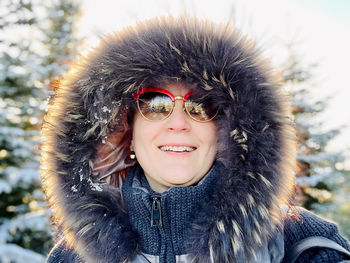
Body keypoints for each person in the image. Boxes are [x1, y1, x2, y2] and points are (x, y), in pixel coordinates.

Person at [41, 16, 350, 263]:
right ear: (126, 135)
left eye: (201, 106)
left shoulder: (306, 247)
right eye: (155, 104)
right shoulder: (72, 258)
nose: (178, 123)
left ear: (225, 134)